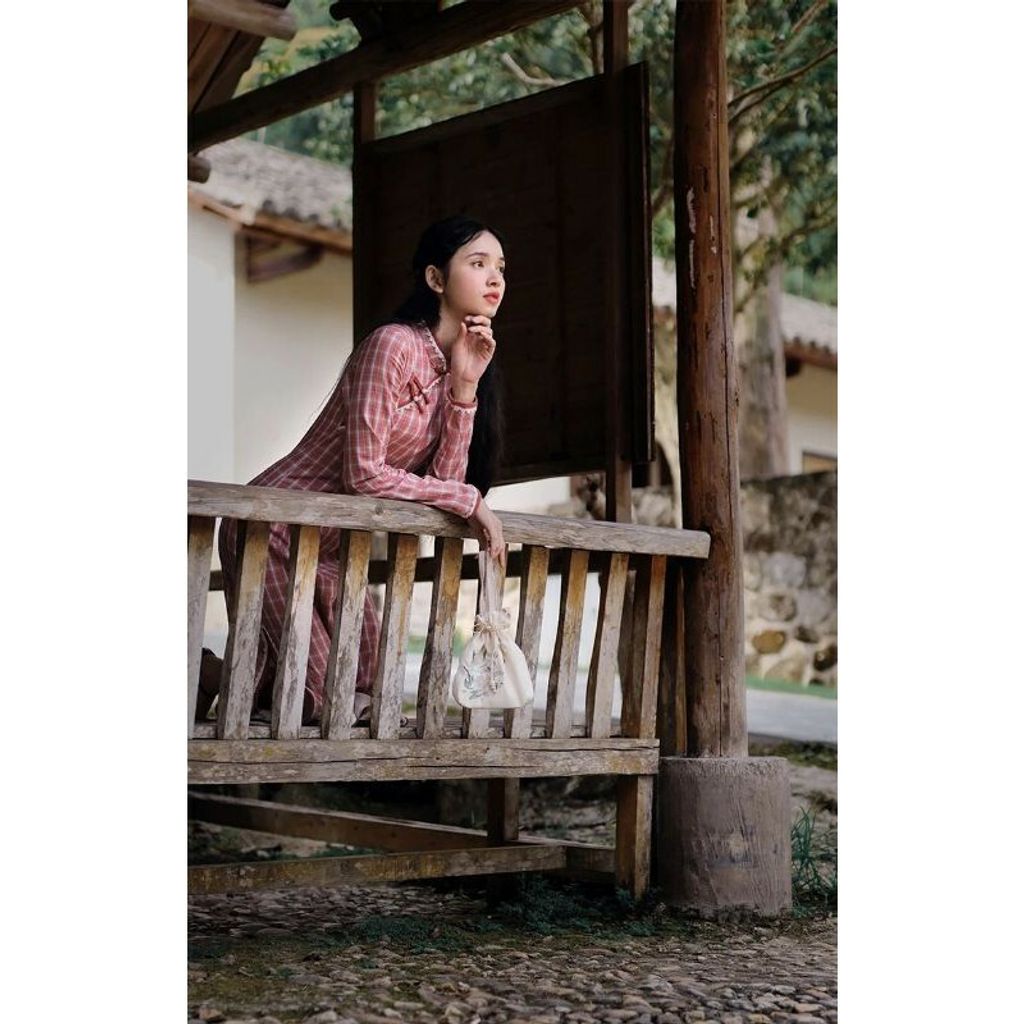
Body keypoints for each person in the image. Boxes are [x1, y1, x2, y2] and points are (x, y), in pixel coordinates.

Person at [198, 214, 509, 726]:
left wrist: (464, 388)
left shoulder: (458, 363)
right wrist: (469, 501)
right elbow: (363, 475)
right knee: (319, 695)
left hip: (338, 546)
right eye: (478, 264)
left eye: (500, 267)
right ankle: (208, 676)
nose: (495, 277)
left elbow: (445, 482)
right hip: (274, 529)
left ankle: (209, 675)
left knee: (365, 679)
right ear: (435, 278)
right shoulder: (393, 345)